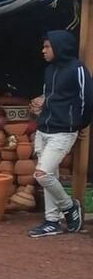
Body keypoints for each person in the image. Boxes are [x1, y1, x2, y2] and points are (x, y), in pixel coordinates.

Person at [28, 30, 92, 238]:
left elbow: (87, 99)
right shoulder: (50, 70)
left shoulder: (78, 69)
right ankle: (51, 221)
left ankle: (69, 207)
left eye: (47, 46)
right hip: (44, 129)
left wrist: (79, 124)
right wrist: (41, 104)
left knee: (42, 174)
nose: (43, 50)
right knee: (50, 174)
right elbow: (52, 95)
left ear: (60, 47)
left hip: (63, 131)